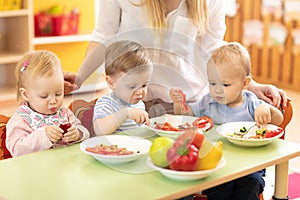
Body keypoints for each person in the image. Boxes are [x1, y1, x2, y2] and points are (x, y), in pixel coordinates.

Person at [63, 0, 288, 118]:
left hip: (189, 106)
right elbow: (104, 35)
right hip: (133, 102)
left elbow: (211, 48)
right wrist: (81, 77)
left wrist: (251, 85)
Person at [170, 42, 284, 200]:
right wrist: (179, 104)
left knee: (250, 185)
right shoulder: (208, 101)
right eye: (212, 83)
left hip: (250, 166)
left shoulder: (251, 103)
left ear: (245, 83)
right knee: (219, 187)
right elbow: (187, 115)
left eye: (225, 84)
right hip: (219, 166)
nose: (217, 89)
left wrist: (267, 109)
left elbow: (279, 120)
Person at [6, 50, 90, 157]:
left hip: (65, 165)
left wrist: (78, 134)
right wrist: (43, 136)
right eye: (44, 96)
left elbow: (84, 131)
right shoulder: (21, 119)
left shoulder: (63, 112)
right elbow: (16, 150)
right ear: (26, 94)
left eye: (58, 93)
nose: (53, 101)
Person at [93, 40, 153, 135]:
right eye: (132, 86)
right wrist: (125, 113)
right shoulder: (106, 104)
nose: (140, 92)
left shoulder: (139, 104)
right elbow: (99, 131)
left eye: (144, 85)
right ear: (111, 82)